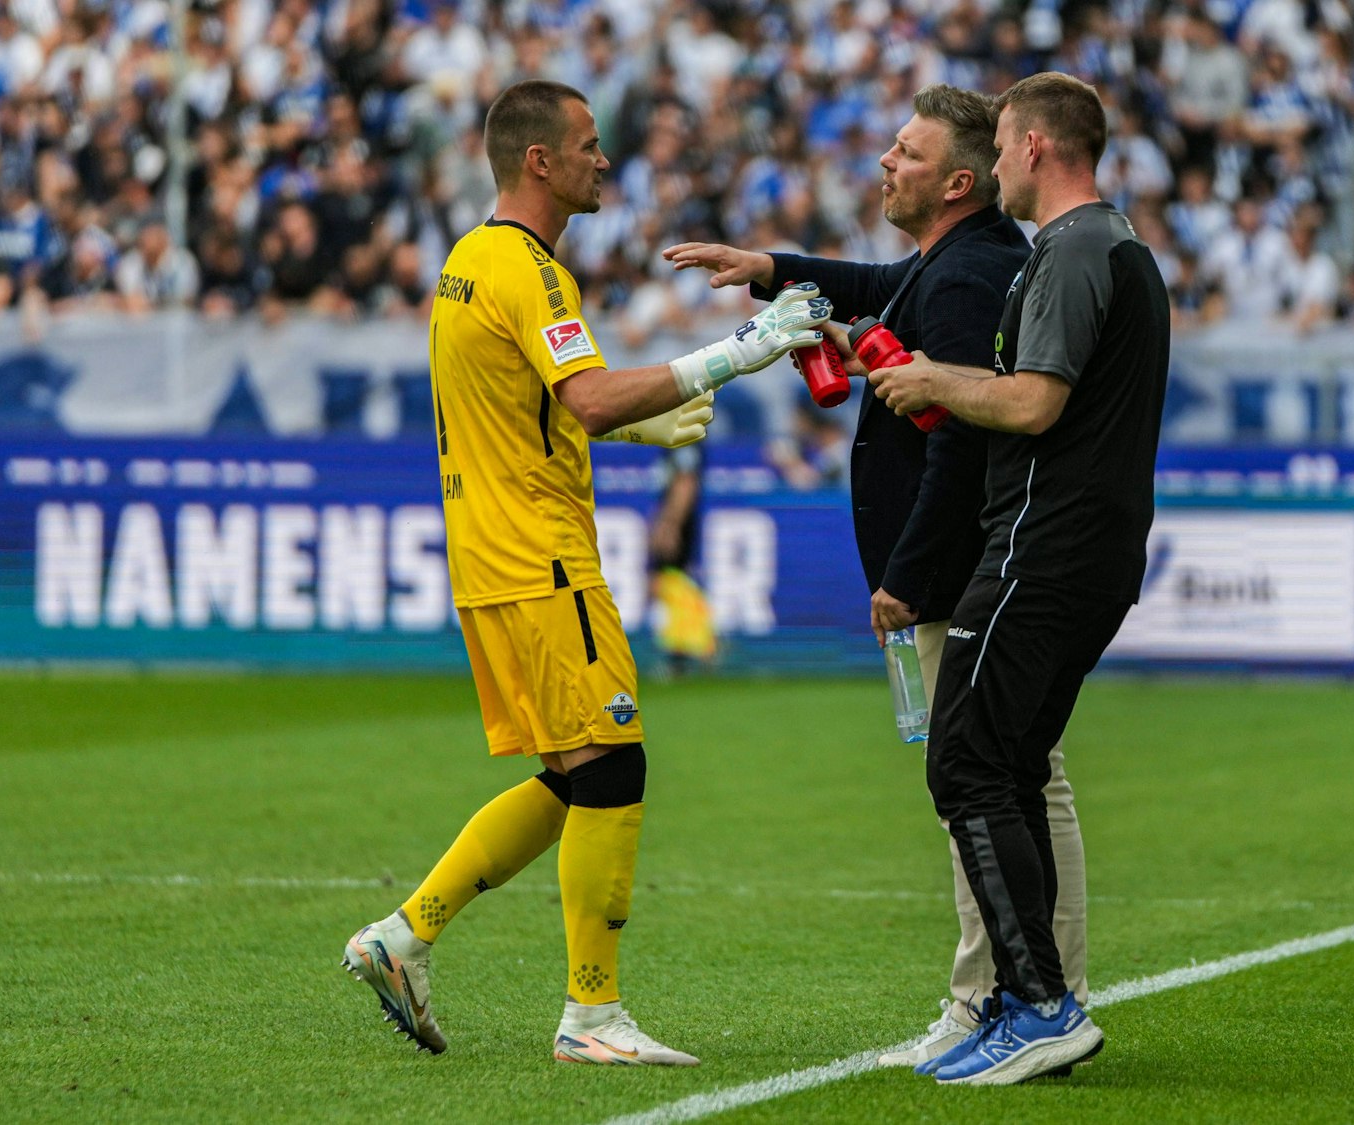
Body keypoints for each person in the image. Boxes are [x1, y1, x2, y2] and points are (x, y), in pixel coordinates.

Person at [339, 79, 830, 1067]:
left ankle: (403, 937)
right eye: (589, 144)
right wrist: (743, 350)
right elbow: (592, 400)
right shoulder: (530, 270)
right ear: (540, 160)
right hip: (541, 559)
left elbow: (536, 403)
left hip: (491, 559)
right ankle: (590, 1017)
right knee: (614, 766)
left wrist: (633, 414)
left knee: (576, 776)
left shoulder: (467, 264)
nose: (603, 160)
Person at [662, 84, 1087, 1071]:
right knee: (1014, 778)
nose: (882, 163)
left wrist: (904, 574)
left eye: (903, 152)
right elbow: (872, 279)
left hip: (957, 572)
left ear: (956, 180)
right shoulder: (956, 262)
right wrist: (767, 267)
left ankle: (995, 996)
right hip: (971, 566)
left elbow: (959, 442)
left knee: (987, 785)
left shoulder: (967, 277)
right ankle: (1024, 991)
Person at [867, 71, 1170, 1086]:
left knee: (964, 761)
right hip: (1084, 545)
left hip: (1044, 545)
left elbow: (1034, 405)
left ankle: (1037, 1002)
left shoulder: (1076, 249)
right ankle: (1020, 999)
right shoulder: (1108, 247)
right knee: (1008, 764)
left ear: (1035, 147)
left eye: (999, 144)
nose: (993, 162)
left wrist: (930, 378)